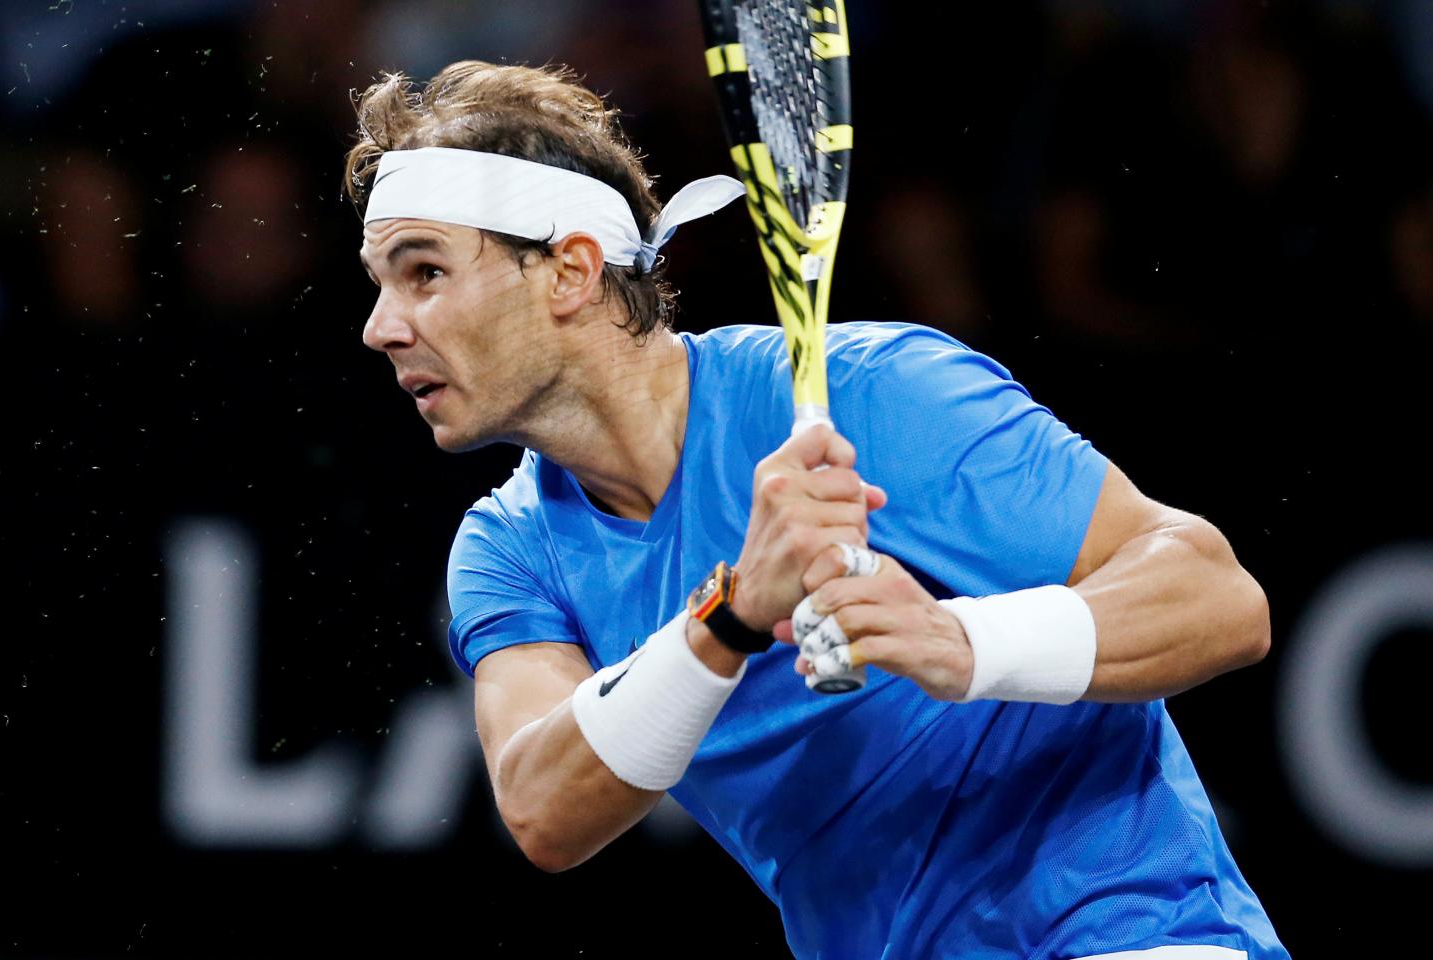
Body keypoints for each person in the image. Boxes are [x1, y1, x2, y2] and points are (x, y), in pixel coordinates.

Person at [347, 61, 1287, 959]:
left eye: (424, 272)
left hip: (1124, 935)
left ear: (569, 271)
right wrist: (732, 614)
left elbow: (1218, 598)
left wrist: (962, 643)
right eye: (381, 283)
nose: (381, 327)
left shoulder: (877, 390)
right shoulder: (507, 548)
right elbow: (543, 812)